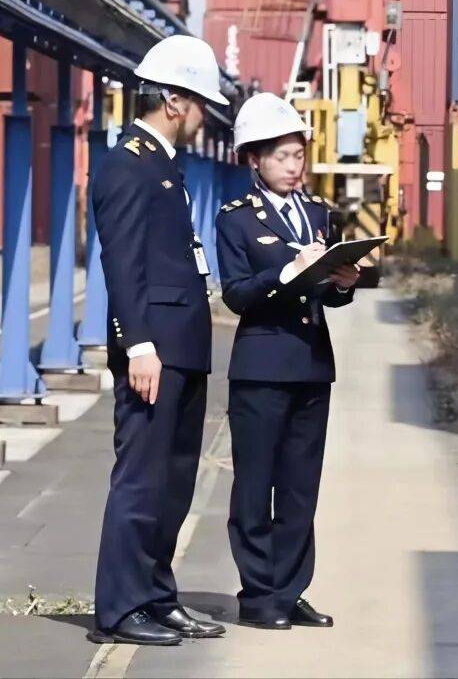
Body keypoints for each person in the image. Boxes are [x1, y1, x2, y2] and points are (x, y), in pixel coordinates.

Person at [90, 35, 230, 646]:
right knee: (141, 481)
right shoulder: (128, 164)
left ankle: (155, 596)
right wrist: (139, 346)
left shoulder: (163, 165)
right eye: (200, 104)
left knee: (173, 484)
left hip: (183, 347)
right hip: (155, 351)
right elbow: (122, 264)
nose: (204, 118)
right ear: (175, 101)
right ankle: (120, 609)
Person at [215, 93, 360, 629]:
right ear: (255, 159)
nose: (293, 166)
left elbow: (329, 298)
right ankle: (258, 594)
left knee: (301, 486)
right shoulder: (235, 219)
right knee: (256, 484)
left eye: (299, 155)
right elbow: (235, 294)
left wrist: (343, 283)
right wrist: (284, 273)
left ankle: (291, 589)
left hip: (311, 364)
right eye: (281, 156)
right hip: (261, 366)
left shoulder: (319, 213)